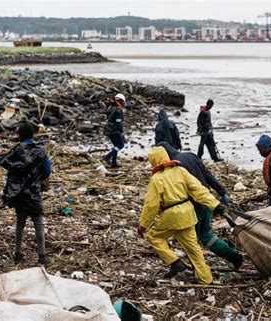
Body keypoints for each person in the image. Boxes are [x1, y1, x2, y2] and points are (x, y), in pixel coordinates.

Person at [138, 146, 225, 284]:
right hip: (188, 214)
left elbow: (151, 206)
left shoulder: (156, 179)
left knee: (153, 236)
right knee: (194, 250)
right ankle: (206, 279)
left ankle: (175, 262)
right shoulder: (180, 171)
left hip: (171, 215)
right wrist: (215, 204)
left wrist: (143, 225)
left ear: (153, 161)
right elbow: (199, 190)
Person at [157, 142, 243, 270]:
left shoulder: (175, 167)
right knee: (205, 235)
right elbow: (208, 175)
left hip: (193, 206)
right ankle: (233, 256)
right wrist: (221, 192)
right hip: (207, 202)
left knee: (192, 241)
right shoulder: (191, 156)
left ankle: (200, 270)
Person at [0, 121, 52, 265]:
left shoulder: (16, 150)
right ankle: (42, 256)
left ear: (20, 135)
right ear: (33, 134)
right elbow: (47, 171)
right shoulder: (40, 150)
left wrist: (8, 191)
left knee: (20, 222)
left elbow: (10, 172)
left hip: (18, 194)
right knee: (38, 222)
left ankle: (18, 254)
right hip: (33, 193)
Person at [103, 93, 126, 168]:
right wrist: (121, 131)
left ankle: (114, 162)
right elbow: (118, 122)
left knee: (116, 146)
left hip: (108, 129)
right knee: (120, 145)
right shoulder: (118, 110)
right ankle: (108, 156)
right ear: (121, 101)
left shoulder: (110, 107)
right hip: (114, 130)